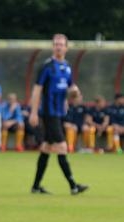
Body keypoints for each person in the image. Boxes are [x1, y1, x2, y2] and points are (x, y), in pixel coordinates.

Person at [29, 34, 88, 195]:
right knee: (62, 146)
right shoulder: (47, 66)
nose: (59, 47)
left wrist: (75, 94)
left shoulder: (67, 67)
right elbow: (37, 90)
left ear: (66, 48)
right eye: (56, 44)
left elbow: (71, 89)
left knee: (47, 147)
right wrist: (34, 113)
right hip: (49, 113)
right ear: (52, 47)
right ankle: (73, 186)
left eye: (61, 45)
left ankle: (35, 186)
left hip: (59, 113)